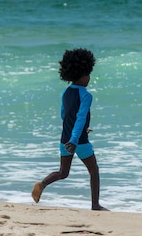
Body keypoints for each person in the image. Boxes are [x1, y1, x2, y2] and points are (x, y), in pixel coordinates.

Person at [32, 48, 108, 211]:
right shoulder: (86, 95)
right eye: (88, 74)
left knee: (63, 172)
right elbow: (80, 117)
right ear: (82, 75)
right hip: (77, 141)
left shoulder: (67, 92)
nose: (89, 78)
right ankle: (95, 205)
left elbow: (64, 114)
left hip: (65, 137)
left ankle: (42, 184)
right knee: (94, 170)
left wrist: (76, 132)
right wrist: (76, 138)